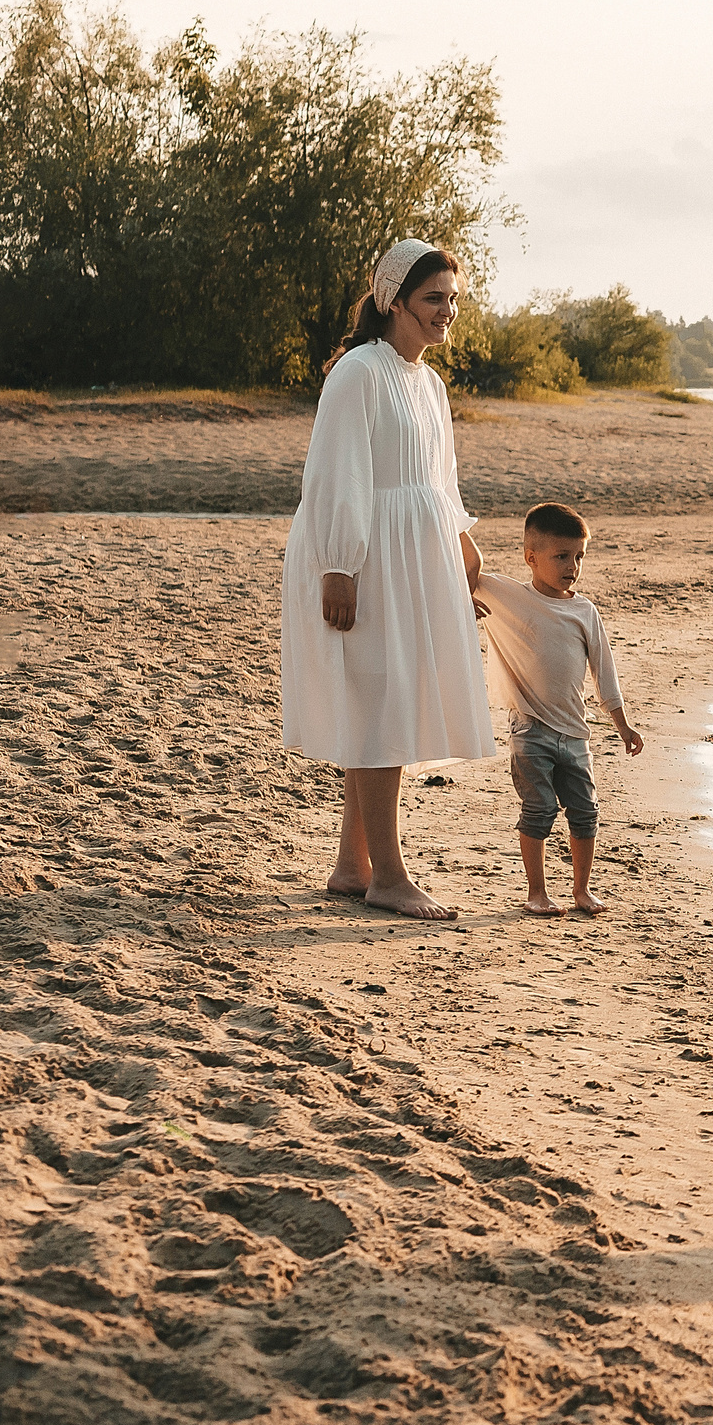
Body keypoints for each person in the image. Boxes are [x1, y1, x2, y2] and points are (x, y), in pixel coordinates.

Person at [281, 239, 493, 921]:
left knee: (385, 699)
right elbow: (337, 474)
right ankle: (390, 875)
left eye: (453, 300)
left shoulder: (428, 382)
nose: (447, 312)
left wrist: (464, 549)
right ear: (392, 300)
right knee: (378, 702)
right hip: (365, 558)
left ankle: (353, 863)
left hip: (415, 556)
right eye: (434, 299)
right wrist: (338, 565)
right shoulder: (359, 372)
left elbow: (440, 478)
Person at [475, 502, 645, 917]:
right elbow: (461, 568)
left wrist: (622, 724)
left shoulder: (585, 611)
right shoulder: (506, 595)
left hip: (576, 733)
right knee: (539, 810)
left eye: (579, 557)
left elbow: (605, 671)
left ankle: (582, 891)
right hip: (529, 728)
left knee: (586, 812)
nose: (573, 566)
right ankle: (537, 892)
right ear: (531, 558)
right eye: (561, 556)